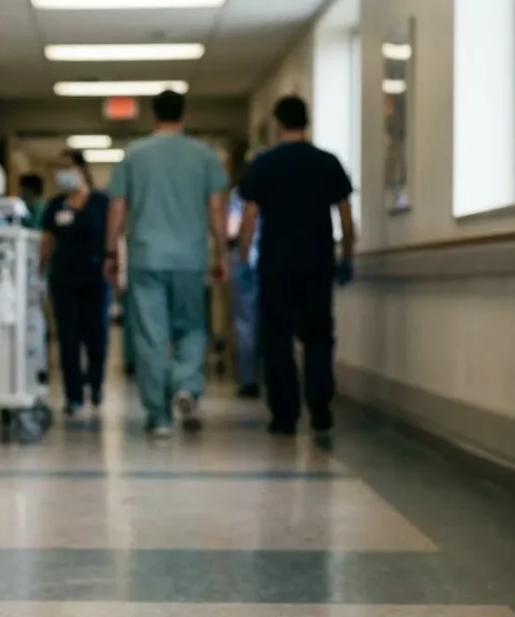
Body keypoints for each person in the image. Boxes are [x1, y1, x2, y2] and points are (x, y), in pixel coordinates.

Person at [105, 90, 229, 437]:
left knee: (151, 336)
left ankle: (159, 418)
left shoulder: (134, 155)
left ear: (153, 115)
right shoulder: (203, 155)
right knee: (192, 327)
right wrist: (221, 252)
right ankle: (186, 385)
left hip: (146, 256)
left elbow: (117, 208)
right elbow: (216, 209)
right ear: (184, 115)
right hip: (190, 257)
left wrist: (111, 253)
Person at [237, 95, 355, 438]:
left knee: (277, 339)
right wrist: (347, 256)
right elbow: (346, 216)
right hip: (317, 263)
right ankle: (320, 406)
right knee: (318, 336)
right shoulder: (327, 163)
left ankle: (284, 415)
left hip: (275, 265)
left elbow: (249, 217)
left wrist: (244, 259)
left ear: (277, 124)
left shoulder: (264, 165)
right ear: (307, 122)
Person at [39, 150, 112, 418]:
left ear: (82, 169)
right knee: (68, 339)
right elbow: (47, 241)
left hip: (96, 278)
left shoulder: (102, 202)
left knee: (96, 336)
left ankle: (95, 384)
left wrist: (117, 267)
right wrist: (39, 272)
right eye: (59, 169)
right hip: (64, 279)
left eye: (67, 167)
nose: (63, 174)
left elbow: (113, 237)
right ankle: (74, 396)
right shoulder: (55, 205)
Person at [227, 186, 261, 398]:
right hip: (276, 262)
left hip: (246, 261)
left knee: (245, 323)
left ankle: (249, 380)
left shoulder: (240, 194)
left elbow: (232, 230)